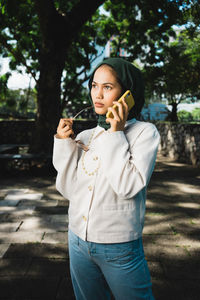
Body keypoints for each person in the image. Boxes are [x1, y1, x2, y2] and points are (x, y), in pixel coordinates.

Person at [53, 57, 160, 300]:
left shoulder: (145, 133)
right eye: (94, 85)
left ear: (128, 94)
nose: (98, 94)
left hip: (119, 246)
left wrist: (116, 132)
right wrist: (63, 145)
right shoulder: (87, 134)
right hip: (78, 240)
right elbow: (69, 189)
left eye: (108, 87)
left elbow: (126, 186)